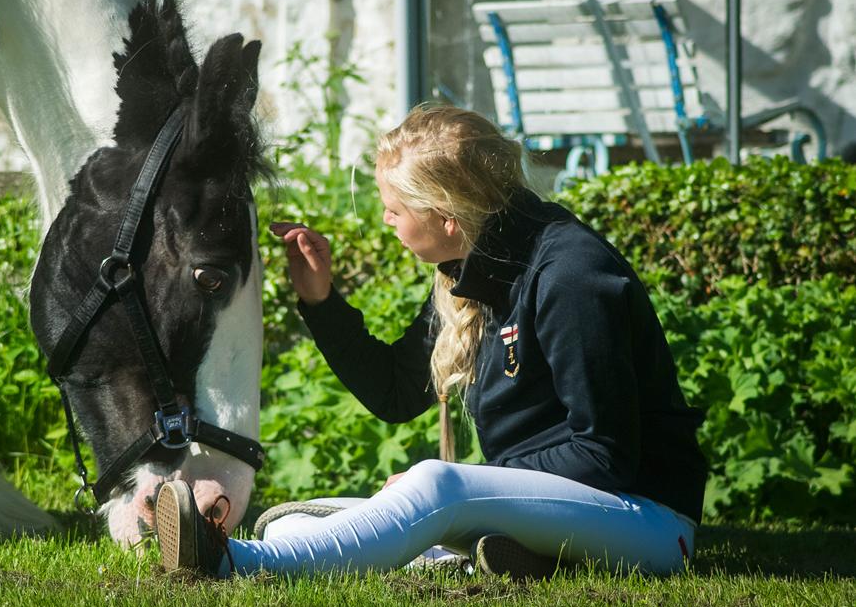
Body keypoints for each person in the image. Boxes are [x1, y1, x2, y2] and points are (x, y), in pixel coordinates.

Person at [155, 104, 708, 579]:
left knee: (434, 484)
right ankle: (500, 557)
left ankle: (233, 564)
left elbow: (603, 454)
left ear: (446, 217)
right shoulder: (470, 266)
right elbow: (398, 392)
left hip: (649, 521)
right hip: (560, 508)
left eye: (395, 209)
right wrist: (322, 303)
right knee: (296, 521)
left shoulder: (570, 277)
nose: (386, 220)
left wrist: (476, 485)